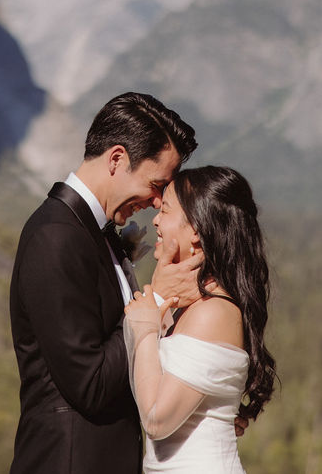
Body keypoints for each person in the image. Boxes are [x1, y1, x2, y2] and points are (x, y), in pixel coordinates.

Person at [9, 92, 203, 474]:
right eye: (156, 184)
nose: (156, 201)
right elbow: (91, 384)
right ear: (117, 159)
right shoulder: (55, 237)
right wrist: (157, 298)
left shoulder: (91, 234)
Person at [123, 166, 277, 473]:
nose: (155, 219)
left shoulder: (213, 312)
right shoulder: (191, 308)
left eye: (165, 210)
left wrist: (146, 325)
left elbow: (156, 419)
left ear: (196, 228)